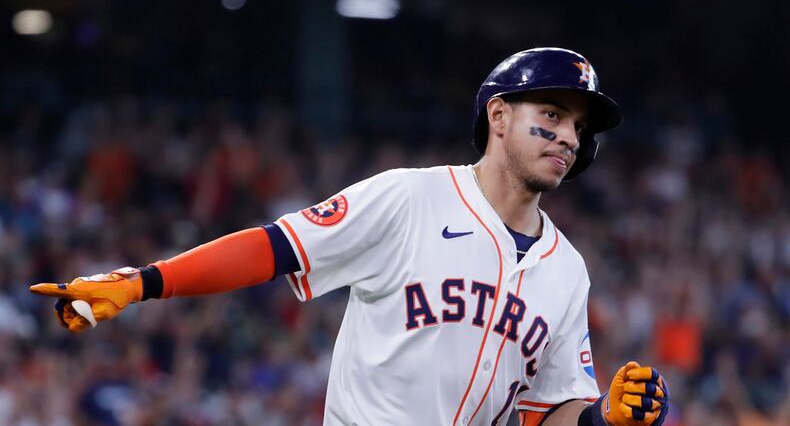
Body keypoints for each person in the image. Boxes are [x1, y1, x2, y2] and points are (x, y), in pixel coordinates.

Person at [30, 47, 669, 426]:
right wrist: (145, 282)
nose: (568, 137)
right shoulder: (410, 196)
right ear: (498, 116)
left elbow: (544, 413)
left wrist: (602, 419)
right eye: (551, 115)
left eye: (579, 128)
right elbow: (276, 248)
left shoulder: (568, 269)